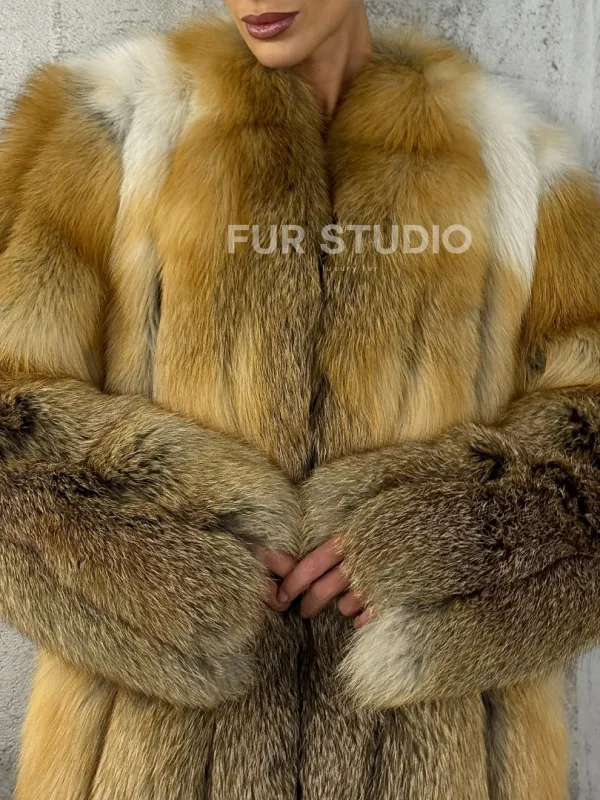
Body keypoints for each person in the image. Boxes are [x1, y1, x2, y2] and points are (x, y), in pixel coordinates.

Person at [1, 0, 600, 797]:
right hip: (148, 756)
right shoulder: (107, 128)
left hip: (436, 757)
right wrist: (175, 549)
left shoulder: (516, 163)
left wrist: (435, 546)